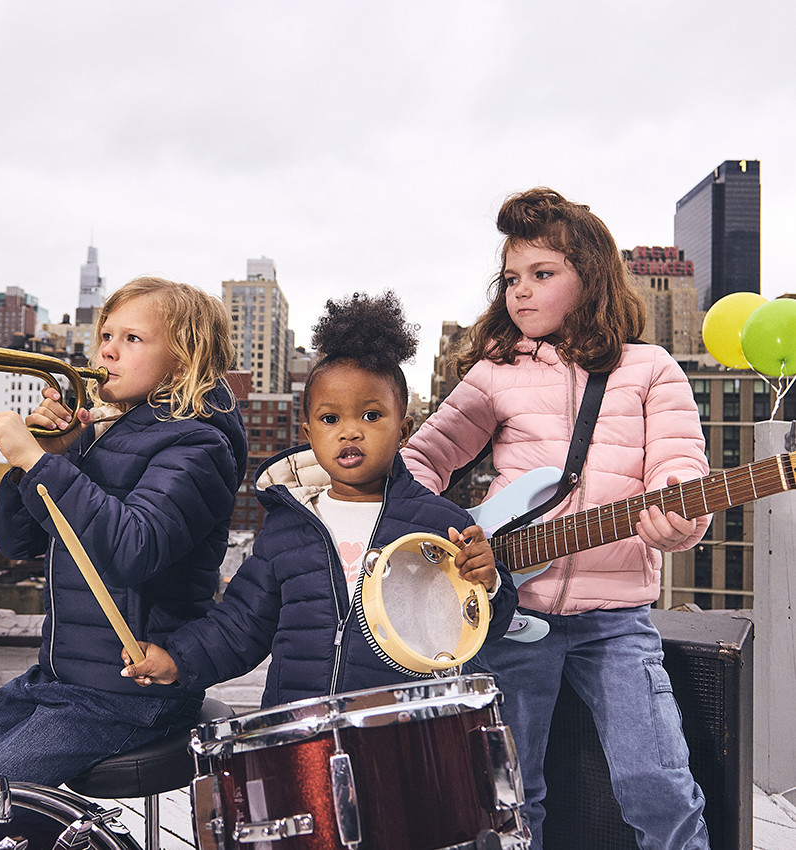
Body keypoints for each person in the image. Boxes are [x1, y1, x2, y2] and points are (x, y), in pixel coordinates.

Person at [401, 188, 711, 850]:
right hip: (511, 613)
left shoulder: (651, 369)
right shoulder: (496, 372)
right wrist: (433, 538)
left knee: (657, 781)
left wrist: (677, 515)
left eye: (542, 274)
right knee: (508, 796)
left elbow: (680, 466)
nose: (520, 290)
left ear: (591, 277)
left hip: (616, 620)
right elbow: (421, 460)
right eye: (512, 277)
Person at [121, 291, 517, 707]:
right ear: (309, 434)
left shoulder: (440, 523)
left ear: (404, 431)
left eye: (371, 415)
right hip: (299, 724)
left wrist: (490, 584)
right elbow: (242, 624)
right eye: (330, 419)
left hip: (400, 725)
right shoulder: (288, 524)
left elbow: (480, 626)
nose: (349, 431)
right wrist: (177, 660)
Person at [0, 277, 248, 786]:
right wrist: (43, 458)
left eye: (132, 339)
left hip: (130, 696)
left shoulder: (200, 446)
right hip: (59, 680)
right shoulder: (104, 434)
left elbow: (134, 549)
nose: (108, 350)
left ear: (183, 360)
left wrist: (38, 461)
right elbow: (19, 543)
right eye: (106, 335)